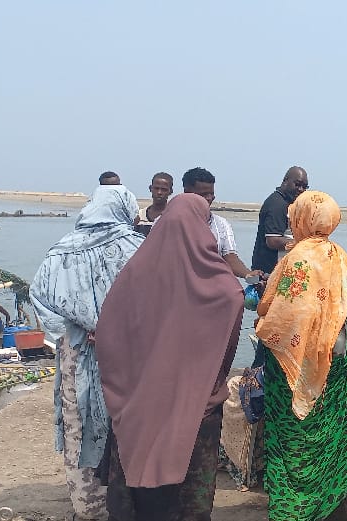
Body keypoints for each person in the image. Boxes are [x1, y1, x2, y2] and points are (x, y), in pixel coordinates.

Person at [95, 194, 244, 520]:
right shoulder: (225, 290)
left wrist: (127, 388)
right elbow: (225, 353)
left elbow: (106, 338)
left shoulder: (133, 276)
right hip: (196, 410)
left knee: (137, 499)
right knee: (188, 501)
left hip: (137, 404)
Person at [30, 184, 145, 521]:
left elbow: (40, 299)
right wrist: (114, 328)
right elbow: (155, 300)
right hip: (128, 352)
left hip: (77, 352)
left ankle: (88, 504)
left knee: (79, 421)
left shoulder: (61, 251)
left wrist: (78, 327)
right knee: (127, 423)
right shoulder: (138, 248)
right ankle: (128, 499)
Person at [256, 191, 347, 521]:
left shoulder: (298, 258)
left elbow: (280, 314)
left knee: (292, 435)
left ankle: (292, 507)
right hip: (336, 356)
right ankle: (326, 503)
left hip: (297, 363)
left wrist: (260, 316)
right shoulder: (339, 256)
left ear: (302, 219)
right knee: (328, 427)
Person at [181, 167, 264, 280]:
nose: (209, 198)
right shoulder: (169, 223)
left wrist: (248, 275)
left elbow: (230, 258)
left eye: (211, 194)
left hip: (210, 285)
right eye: (203, 194)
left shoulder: (221, 225)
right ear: (187, 193)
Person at [252, 167, 310, 275]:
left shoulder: (288, 203)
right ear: (285, 181)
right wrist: (304, 245)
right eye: (297, 184)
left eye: (304, 187)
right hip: (268, 273)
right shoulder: (277, 204)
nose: (301, 189)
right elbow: (273, 241)